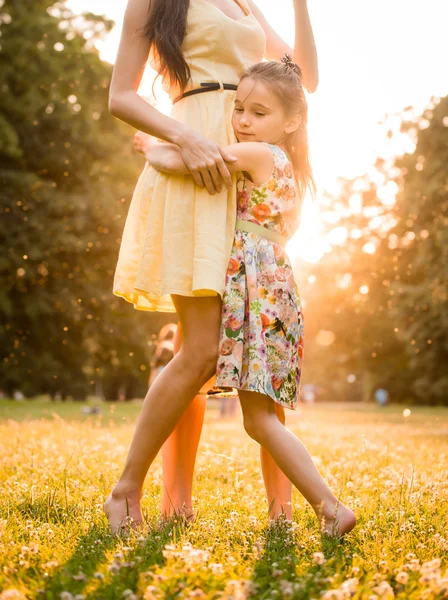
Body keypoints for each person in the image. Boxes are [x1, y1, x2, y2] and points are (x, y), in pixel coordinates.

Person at [104, 0, 318, 532]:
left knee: (256, 361)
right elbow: (120, 96)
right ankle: (134, 491)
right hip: (194, 163)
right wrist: (183, 139)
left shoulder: (247, 3)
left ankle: (281, 511)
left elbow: (304, 77)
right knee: (198, 351)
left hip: (241, 167)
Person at [143, 59, 357, 535]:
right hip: (274, 294)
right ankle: (326, 508)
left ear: (291, 121)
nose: (242, 120)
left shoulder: (261, 154)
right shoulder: (291, 168)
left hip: (258, 298)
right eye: (239, 109)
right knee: (260, 418)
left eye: (258, 112)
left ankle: (331, 506)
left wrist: (151, 147)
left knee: (260, 421)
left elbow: (193, 160)